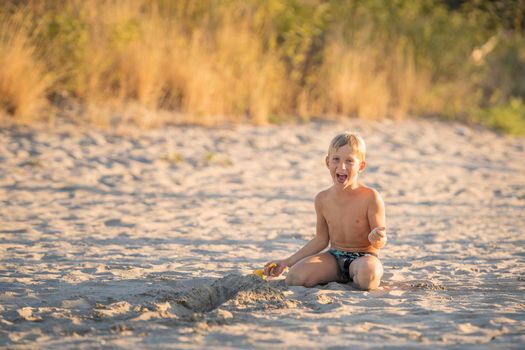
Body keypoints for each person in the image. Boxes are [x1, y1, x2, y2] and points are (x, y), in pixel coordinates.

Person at [263, 132, 387, 290]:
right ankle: (337, 276)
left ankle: (358, 275)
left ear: (361, 166)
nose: (342, 166)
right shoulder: (322, 199)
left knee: (367, 277)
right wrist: (286, 262)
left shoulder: (370, 197)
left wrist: (377, 237)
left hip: (364, 258)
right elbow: (321, 240)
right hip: (334, 257)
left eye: (349, 161)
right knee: (294, 278)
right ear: (328, 162)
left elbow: (381, 241)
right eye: (336, 159)